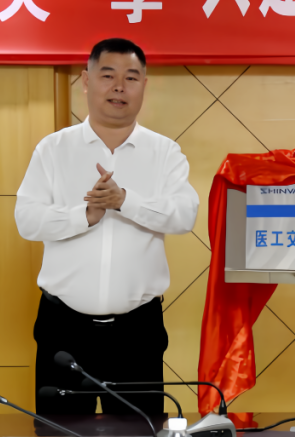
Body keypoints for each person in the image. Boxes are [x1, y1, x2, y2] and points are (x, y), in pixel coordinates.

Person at [15, 38, 200, 414]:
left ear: (144, 85)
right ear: (86, 81)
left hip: (137, 332)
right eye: (108, 76)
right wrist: (83, 216)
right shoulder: (53, 149)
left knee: (139, 431)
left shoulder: (164, 152)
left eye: (131, 78)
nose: (119, 87)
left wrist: (124, 201)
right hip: (63, 329)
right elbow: (27, 220)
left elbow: (184, 215)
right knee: (59, 431)